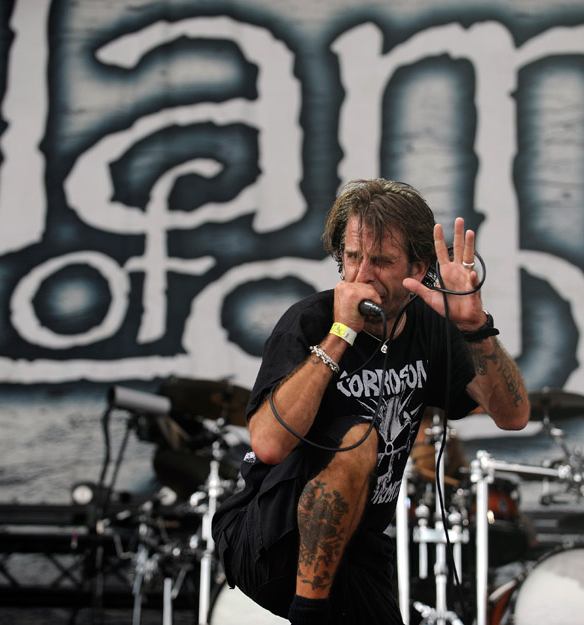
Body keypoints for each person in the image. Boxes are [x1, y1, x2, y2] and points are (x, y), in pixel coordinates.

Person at [212, 178, 529, 624]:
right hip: (270, 534)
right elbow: (267, 444)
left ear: (417, 269)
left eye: (380, 261)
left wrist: (475, 327)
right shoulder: (309, 322)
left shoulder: (430, 329)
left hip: (356, 544)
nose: (361, 275)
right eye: (352, 257)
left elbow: (513, 415)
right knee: (359, 435)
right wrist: (342, 334)